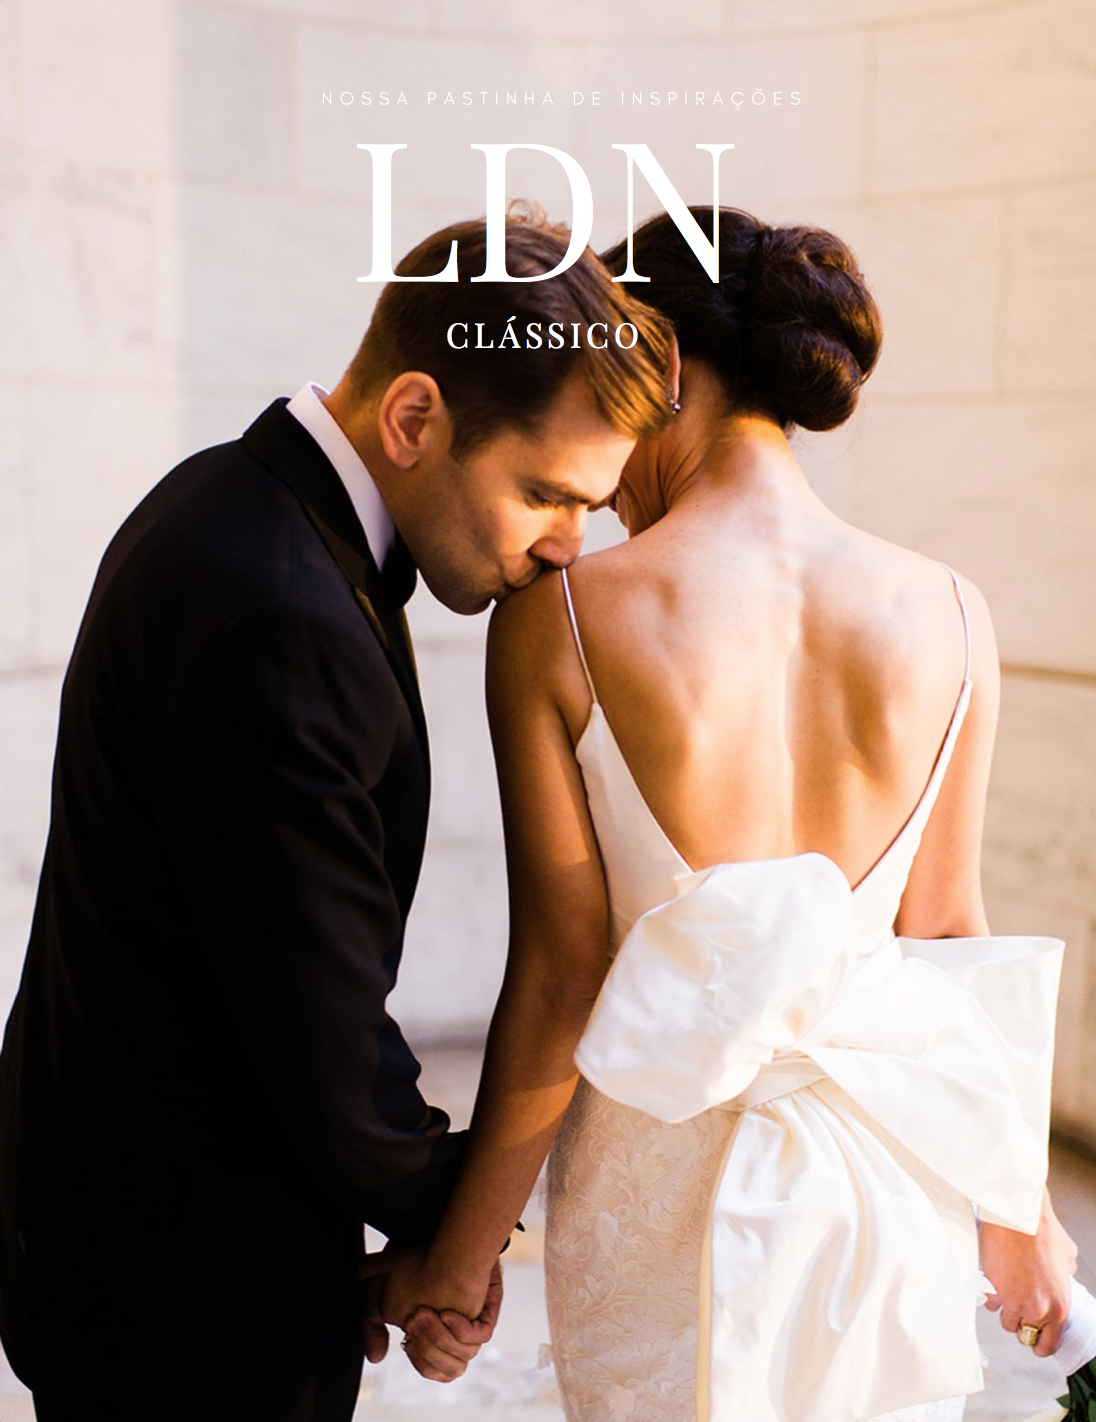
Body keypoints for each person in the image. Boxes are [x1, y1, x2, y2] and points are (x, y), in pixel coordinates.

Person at [372, 207, 1078, 1421]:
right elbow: (952, 937)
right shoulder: (952, 612)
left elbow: (560, 981)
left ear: (662, 369)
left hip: (660, 1203)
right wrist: (1021, 1212)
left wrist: (460, 1258)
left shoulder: (562, 618)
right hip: (886, 1186)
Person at [0, 212, 673, 1422]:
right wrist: (459, 1227)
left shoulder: (230, 501)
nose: (567, 549)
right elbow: (323, 1037)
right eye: (543, 494)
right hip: (186, 1282)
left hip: (134, 1227)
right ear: (412, 419)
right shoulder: (284, 612)